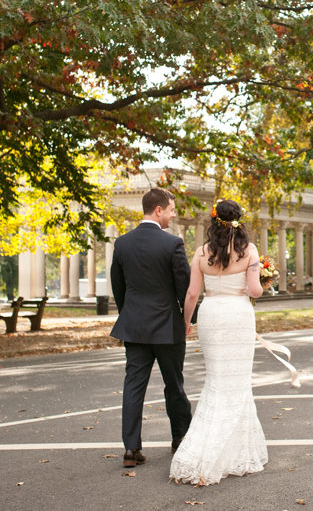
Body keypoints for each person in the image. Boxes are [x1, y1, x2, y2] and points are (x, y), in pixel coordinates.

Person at [170, 199, 272, 486]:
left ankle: (202, 446)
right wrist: (263, 282)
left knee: (215, 380)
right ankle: (236, 449)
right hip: (238, 315)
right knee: (238, 382)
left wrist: (186, 323)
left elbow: (192, 294)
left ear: (213, 222)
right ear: (240, 221)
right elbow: (254, 290)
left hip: (212, 315)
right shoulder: (248, 251)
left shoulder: (202, 252)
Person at [109, 187, 193, 469]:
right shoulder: (172, 244)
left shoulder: (122, 244)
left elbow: (118, 288)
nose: (172, 215)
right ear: (158, 210)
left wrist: (129, 315)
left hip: (134, 327)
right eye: (171, 209)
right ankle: (180, 437)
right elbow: (184, 286)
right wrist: (187, 319)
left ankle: (131, 448)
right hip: (168, 327)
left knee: (133, 386)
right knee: (174, 385)